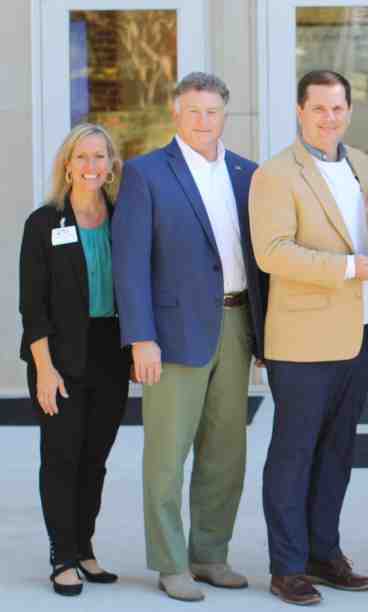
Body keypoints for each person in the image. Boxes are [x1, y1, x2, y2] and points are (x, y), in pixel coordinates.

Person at [111, 72, 266, 602]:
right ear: (176, 113)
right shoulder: (145, 173)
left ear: (226, 114)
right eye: (194, 112)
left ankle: (209, 554)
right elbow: (129, 265)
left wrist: (264, 338)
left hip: (237, 323)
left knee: (226, 450)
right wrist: (140, 338)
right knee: (167, 453)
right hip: (172, 334)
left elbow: (260, 259)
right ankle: (170, 561)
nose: (204, 122)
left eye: (213, 112)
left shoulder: (247, 173)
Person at [249, 70, 368, 607]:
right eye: (319, 109)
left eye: (338, 108)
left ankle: (323, 553)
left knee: (338, 451)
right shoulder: (276, 174)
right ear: (300, 111)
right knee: (294, 453)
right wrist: (349, 267)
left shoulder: (364, 165)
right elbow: (273, 251)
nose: (330, 118)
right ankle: (286, 565)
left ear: (349, 111)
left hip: (361, 334)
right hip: (304, 340)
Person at [19, 123, 131, 596]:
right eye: (82, 157)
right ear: (67, 164)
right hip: (59, 354)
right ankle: (61, 555)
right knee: (61, 456)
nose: (91, 166)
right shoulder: (44, 222)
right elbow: (33, 306)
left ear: (111, 165)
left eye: (100, 157)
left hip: (110, 350)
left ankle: (84, 548)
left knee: (96, 458)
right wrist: (44, 369)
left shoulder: (124, 217)